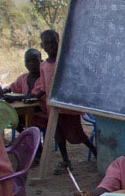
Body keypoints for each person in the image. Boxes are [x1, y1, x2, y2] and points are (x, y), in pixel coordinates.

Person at [39, 30, 97, 174]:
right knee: (58, 135)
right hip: (52, 107)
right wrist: (33, 96)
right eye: (47, 43)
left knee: (76, 134)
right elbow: (43, 87)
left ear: (59, 41)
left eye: (54, 42)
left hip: (67, 107)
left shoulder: (66, 60)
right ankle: (66, 161)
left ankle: (95, 151)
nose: (51, 45)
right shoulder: (44, 66)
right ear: (42, 46)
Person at [3, 49, 47, 130]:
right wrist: (3, 91)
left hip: (40, 115)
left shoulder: (43, 79)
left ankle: (30, 139)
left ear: (41, 62)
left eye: (34, 61)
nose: (31, 64)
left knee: (15, 118)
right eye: (28, 61)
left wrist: (14, 98)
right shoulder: (24, 77)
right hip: (25, 113)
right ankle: (27, 138)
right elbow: (12, 87)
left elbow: (33, 96)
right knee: (10, 117)